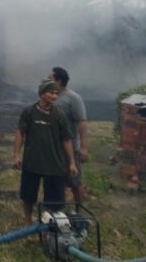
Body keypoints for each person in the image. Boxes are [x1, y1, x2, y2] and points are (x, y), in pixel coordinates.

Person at [13, 78, 78, 226]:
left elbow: (67, 140)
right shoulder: (29, 112)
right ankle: (28, 220)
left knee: (55, 198)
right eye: (51, 93)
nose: (54, 96)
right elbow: (20, 132)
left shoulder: (59, 115)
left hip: (54, 163)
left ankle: (51, 222)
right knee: (28, 194)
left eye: (56, 93)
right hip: (32, 161)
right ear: (42, 94)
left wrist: (72, 163)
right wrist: (16, 154)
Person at [50, 67, 88, 205]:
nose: (48, 81)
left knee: (74, 182)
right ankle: (56, 209)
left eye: (50, 78)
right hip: (53, 148)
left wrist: (83, 148)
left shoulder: (73, 98)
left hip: (70, 148)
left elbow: (82, 123)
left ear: (59, 81)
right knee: (55, 180)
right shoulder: (50, 97)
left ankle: (79, 211)